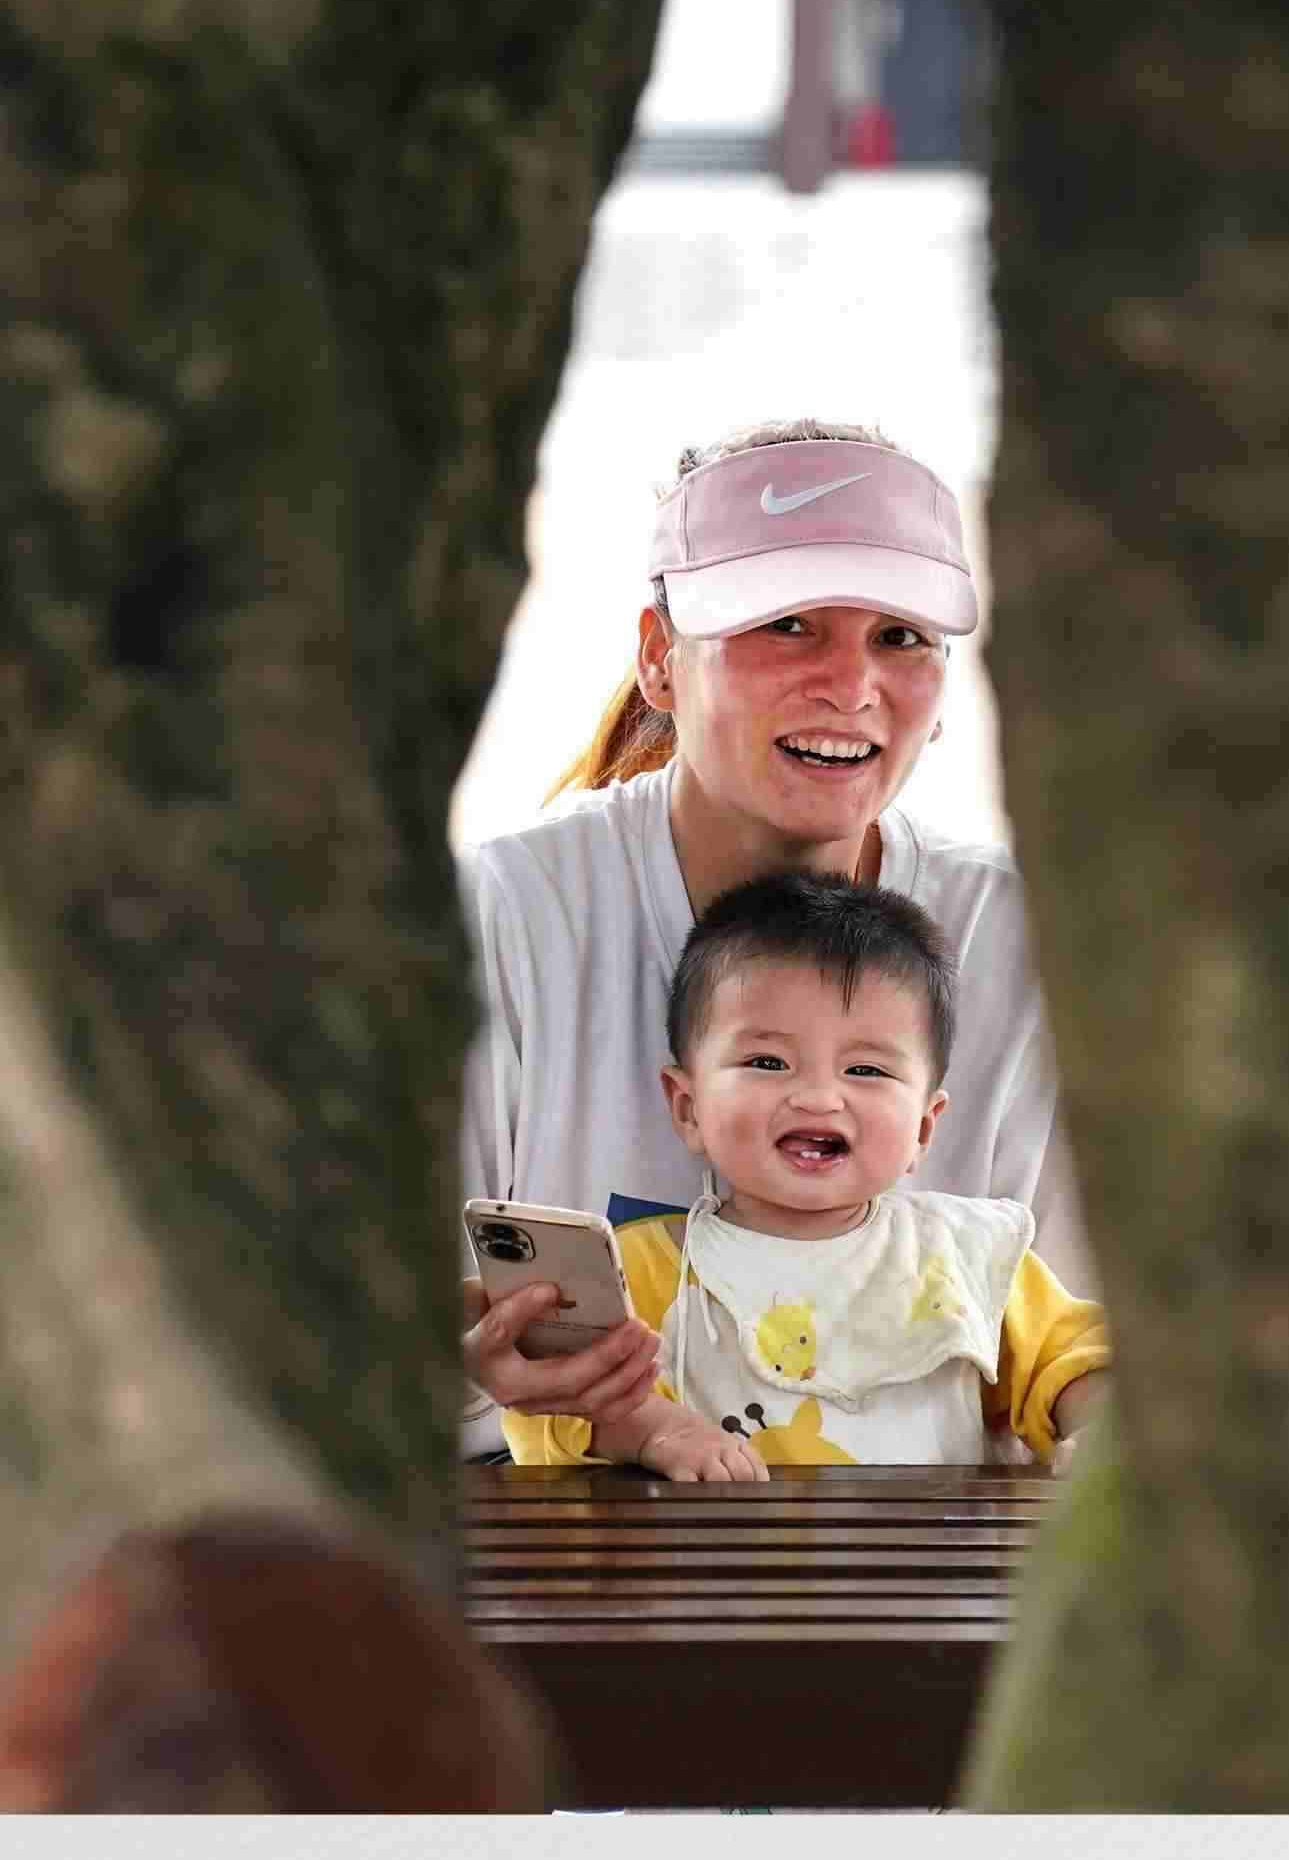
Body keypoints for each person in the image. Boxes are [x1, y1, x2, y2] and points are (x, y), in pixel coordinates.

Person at [452, 420, 1090, 1457]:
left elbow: (1091, 1358)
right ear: (659, 659)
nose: (851, 685)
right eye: (787, 624)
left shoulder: (1026, 945)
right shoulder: (502, 919)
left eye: (901, 637)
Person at [494, 871, 1109, 1477]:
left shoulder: (970, 1256)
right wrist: (654, 1429)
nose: (817, 1098)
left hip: (934, 1548)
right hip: (713, 1549)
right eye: (768, 1061)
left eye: (865, 1070)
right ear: (688, 1107)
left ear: (924, 1127)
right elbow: (556, 1410)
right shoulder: (644, 1271)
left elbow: (1074, 1361)